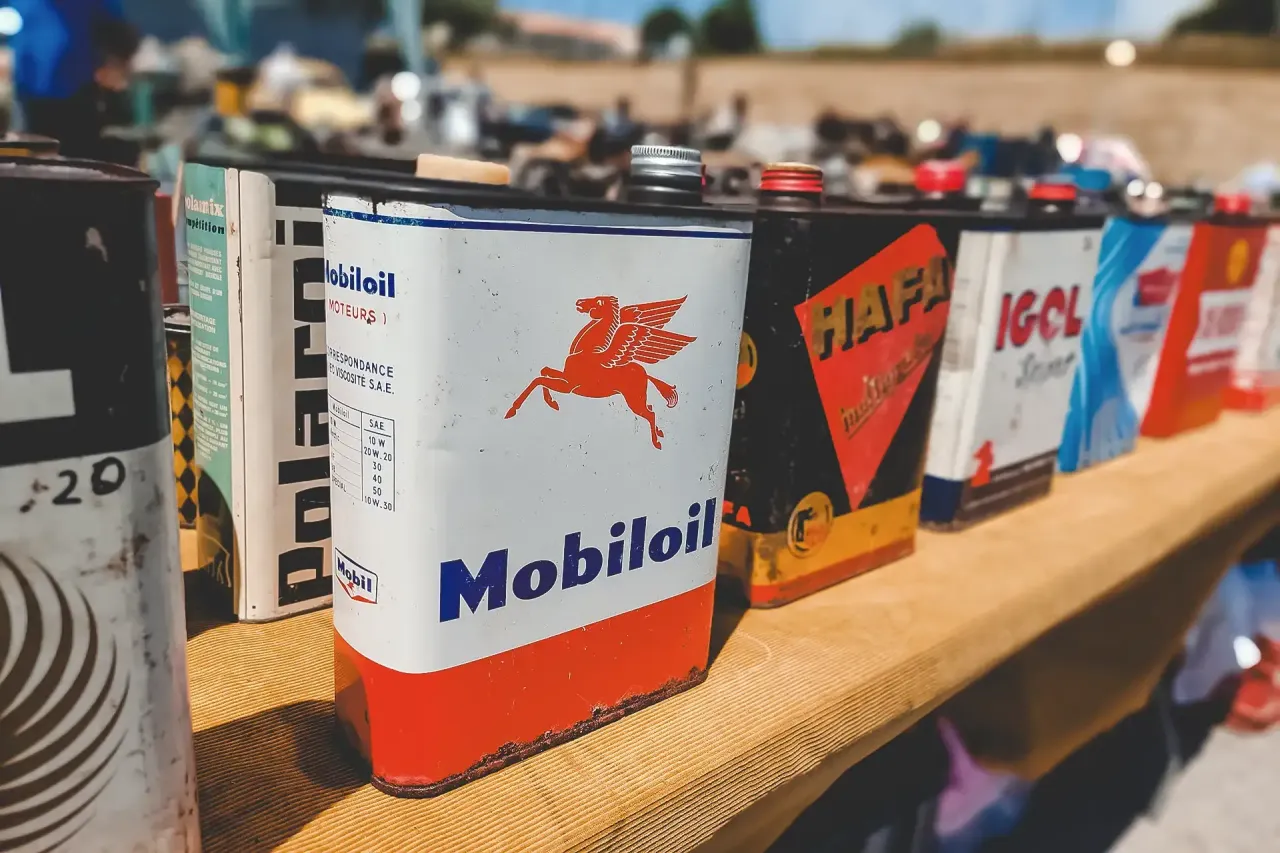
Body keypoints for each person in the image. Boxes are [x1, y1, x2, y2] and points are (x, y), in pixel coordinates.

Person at [10, 0, 140, 160]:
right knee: (31, 161)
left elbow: (122, 37)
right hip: (28, 98)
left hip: (77, 97)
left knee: (77, 160)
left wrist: (115, 69)